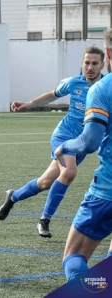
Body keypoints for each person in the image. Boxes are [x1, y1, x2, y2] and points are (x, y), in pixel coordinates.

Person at [0, 46, 105, 238]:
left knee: (45, 182)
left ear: (102, 65)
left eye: (95, 63)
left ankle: (13, 196)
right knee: (70, 172)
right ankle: (44, 220)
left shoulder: (106, 87)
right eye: (87, 63)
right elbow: (52, 94)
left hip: (81, 144)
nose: (90, 67)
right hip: (63, 136)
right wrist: (29, 104)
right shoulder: (74, 83)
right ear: (82, 64)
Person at [54, 28, 112, 282]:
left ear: (108, 53)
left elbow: (89, 142)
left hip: (107, 191)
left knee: (74, 256)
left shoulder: (102, 89)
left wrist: (64, 147)